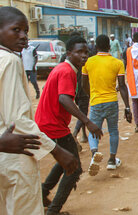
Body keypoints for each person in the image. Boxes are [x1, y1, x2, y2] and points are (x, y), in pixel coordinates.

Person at [0, 7, 78, 215]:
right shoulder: (9, 60)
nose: (24, 37)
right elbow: (18, 120)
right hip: (16, 154)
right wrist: (57, 151)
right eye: (16, 30)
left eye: (25, 31)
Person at [36, 36, 103, 215]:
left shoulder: (66, 69)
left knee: (66, 158)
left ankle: (43, 192)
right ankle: (53, 211)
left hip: (48, 122)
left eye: (86, 52)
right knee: (74, 168)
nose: (84, 56)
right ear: (69, 53)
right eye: (79, 52)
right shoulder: (67, 71)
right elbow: (64, 99)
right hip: (53, 125)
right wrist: (87, 122)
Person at [82, 34, 132, 175]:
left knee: (94, 130)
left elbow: (83, 84)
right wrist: (127, 107)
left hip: (96, 101)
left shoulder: (88, 62)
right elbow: (122, 86)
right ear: (109, 46)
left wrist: (91, 95)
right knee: (113, 130)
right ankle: (111, 160)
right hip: (111, 101)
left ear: (96, 47)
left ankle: (94, 154)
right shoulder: (117, 63)